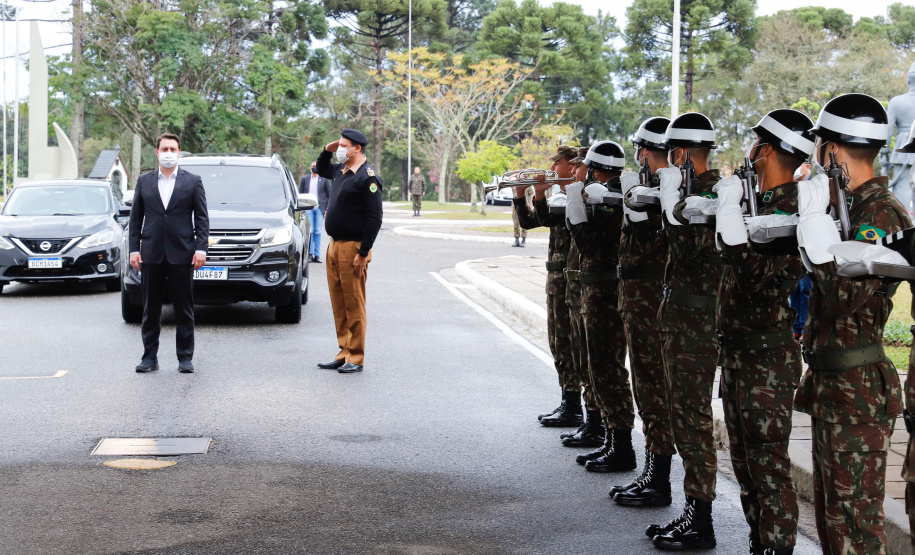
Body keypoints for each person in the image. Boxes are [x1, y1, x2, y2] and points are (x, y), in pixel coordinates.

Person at [794, 93, 911, 554]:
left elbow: (843, 297)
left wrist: (815, 223)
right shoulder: (845, 207)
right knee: (832, 523)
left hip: (857, 391)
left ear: (833, 150)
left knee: (855, 527)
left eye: (819, 146)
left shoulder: (879, 214)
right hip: (834, 384)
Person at [715, 109, 816, 555]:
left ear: (767, 149)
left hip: (767, 360)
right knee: (745, 465)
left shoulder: (792, 207)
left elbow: (757, 276)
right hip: (739, 353)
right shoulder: (760, 201)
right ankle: (759, 543)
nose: (749, 152)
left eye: (755, 143)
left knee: (768, 466)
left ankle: (777, 548)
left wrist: (732, 227)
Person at [649, 112, 722, 550]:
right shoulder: (692, 190)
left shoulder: (711, 195)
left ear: (678, 154)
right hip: (680, 324)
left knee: (692, 424)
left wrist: (671, 205)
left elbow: (690, 251)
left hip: (697, 327)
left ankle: (701, 518)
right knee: (682, 419)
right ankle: (693, 512)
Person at [612, 117, 676, 507]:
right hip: (639, 304)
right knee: (647, 391)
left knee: (655, 393)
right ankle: (652, 471)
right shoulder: (649, 188)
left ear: (648, 152)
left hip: (655, 306)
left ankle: (660, 478)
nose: (639, 158)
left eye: (641, 151)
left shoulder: (669, 191)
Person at [565, 141, 637, 474]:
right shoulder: (604, 192)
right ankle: (612, 437)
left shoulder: (610, 197)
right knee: (600, 369)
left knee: (607, 369)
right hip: (600, 291)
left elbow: (590, 243)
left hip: (605, 293)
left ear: (594, 168)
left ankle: (621, 443)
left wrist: (576, 216)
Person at [512, 145, 584, 427]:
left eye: (560, 164)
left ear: (573, 166)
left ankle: (579, 409)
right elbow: (531, 222)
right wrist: (522, 194)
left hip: (572, 280)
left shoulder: (579, 198)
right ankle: (569, 402)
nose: (553, 169)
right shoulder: (560, 196)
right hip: (557, 278)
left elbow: (547, 219)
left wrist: (541, 194)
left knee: (571, 343)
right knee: (558, 341)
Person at [128, 132, 209, 374]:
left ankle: (185, 358)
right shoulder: (144, 181)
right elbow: (135, 219)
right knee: (150, 309)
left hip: (182, 254)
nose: (169, 154)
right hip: (151, 254)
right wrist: (133, 249)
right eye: (165, 149)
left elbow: (202, 218)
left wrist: (201, 248)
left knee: (184, 308)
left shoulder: (192, 181)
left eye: (173, 149)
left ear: (179, 152)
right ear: (157, 152)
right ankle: (149, 358)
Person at [314, 129, 383, 374]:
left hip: (353, 248)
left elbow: (374, 219)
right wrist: (327, 149)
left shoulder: (367, 177)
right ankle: (343, 351)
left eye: (344, 145)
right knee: (339, 303)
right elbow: (321, 168)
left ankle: (356, 356)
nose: (340, 148)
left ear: (357, 148)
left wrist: (363, 253)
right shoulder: (342, 171)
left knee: (354, 304)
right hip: (334, 246)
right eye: (339, 145)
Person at [558, 147, 606, 448]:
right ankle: (584, 415)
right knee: (572, 353)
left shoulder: (600, 199)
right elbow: (535, 221)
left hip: (597, 291)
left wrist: (575, 199)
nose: (575, 171)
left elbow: (588, 242)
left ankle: (602, 430)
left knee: (599, 367)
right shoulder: (578, 195)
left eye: (579, 167)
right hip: (575, 284)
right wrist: (533, 195)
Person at [882, 62, 915, 214]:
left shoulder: (897, 102)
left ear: (908, 81)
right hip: (905, 147)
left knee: (902, 189)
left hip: (903, 149)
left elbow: (887, 132)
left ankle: (904, 222)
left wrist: (884, 153)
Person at [299, 162, 331, 263]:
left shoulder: (324, 179)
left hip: (320, 208)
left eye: (316, 166)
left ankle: (317, 255)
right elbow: (301, 194)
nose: (315, 168)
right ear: (310, 168)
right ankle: (310, 253)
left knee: (317, 231)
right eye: (313, 166)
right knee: (310, 231)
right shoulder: (305, 179)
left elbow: (329, 195)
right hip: (309, 208)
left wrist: (327, 209)